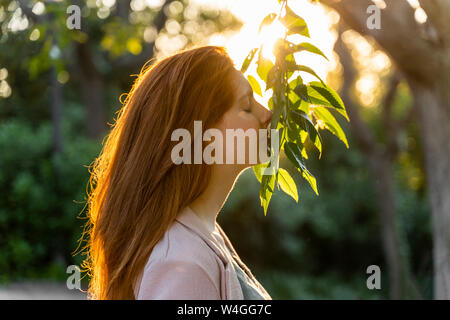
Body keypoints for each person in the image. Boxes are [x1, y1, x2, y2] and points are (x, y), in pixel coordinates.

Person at [83, 46, 272, 299]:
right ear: (201, 132)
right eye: (247, 106)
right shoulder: (181, 264)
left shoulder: (205, 234)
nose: (267, 114)